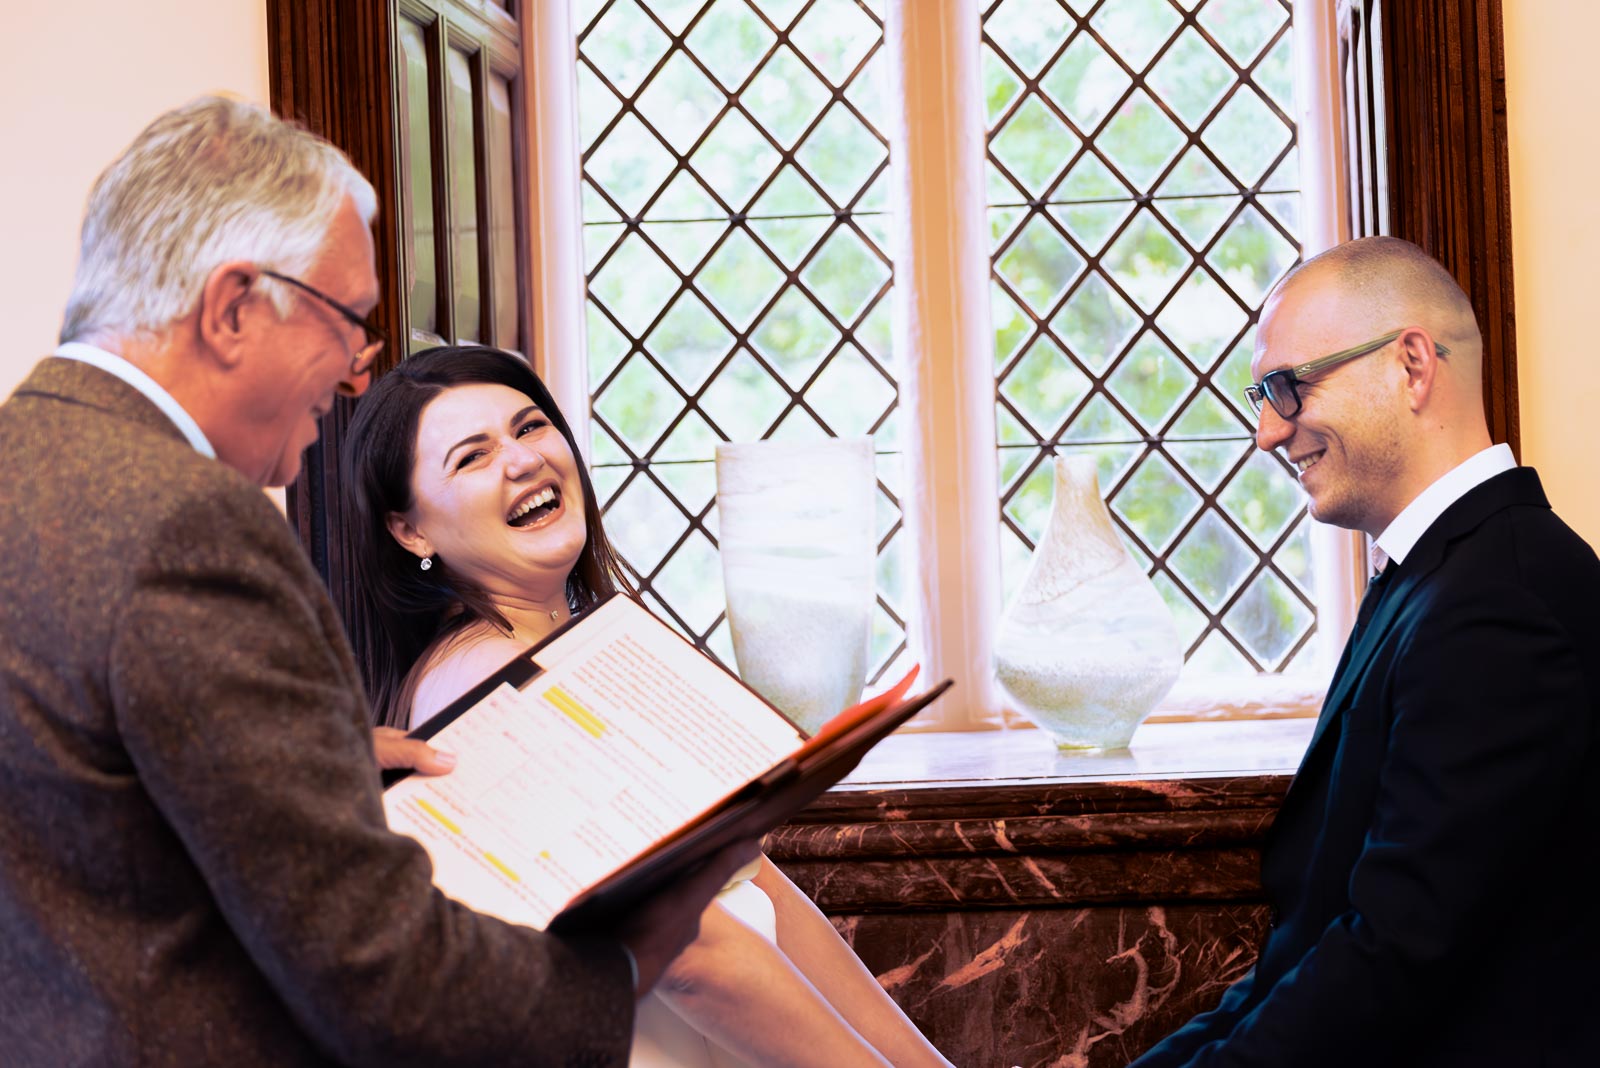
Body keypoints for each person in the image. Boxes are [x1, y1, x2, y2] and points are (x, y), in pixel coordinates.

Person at [0, 95, 759, 1066]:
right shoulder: (188, 525)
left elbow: (71, 812)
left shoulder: (30, 458)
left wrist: (307, 769)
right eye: (345, 320)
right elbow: (379, 972)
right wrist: (629, 962)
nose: (357, 372)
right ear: (234, 307)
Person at [340, 344, 956, 1068]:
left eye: (531, 426)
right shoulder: (488, 681)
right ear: (408, 529)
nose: (523, 460)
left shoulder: (575, 653)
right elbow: (694, 959)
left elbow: (754, 884)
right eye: (471, 457)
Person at [1130, 236, 1599, 1066]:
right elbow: (1308, 951)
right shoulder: (1439, 578)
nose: (1269, 434)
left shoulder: (1500, 604)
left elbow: (1392, 959)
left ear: (1412, 366)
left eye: (1288, 388)